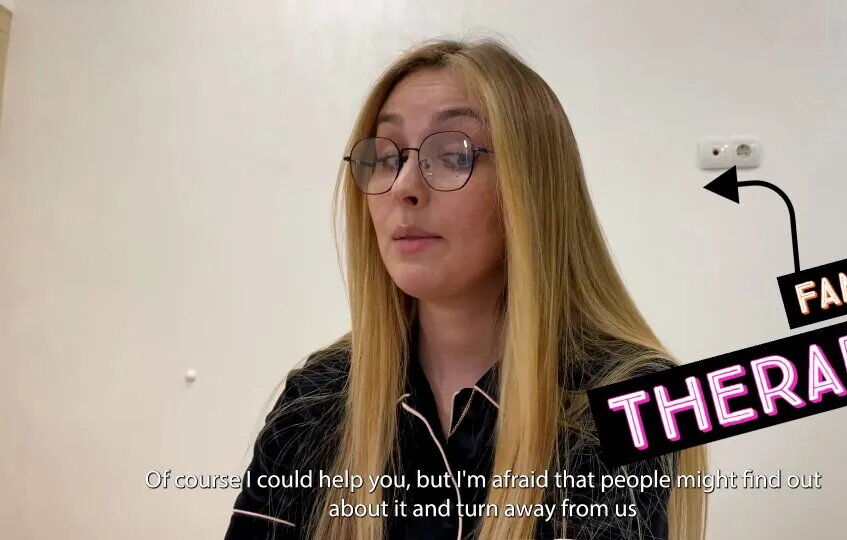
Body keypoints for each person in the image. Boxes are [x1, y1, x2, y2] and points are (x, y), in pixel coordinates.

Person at [224, 37, 707, 540]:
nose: (403, 186)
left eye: (454, 155)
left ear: (531, 187)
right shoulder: (318, 397)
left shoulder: (634, 401)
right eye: (386, 157)